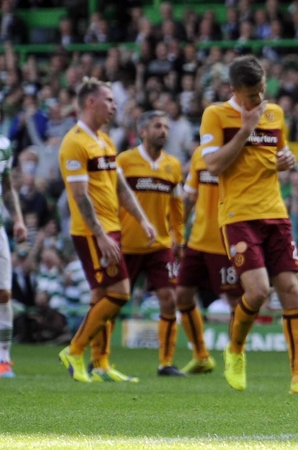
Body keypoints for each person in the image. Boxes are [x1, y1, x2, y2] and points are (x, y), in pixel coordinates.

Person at [200, 55, 298, 395]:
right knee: (256, 292)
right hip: (238, 216)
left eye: (262, 92)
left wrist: (287, 160)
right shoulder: (215, 115)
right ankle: (235, 351)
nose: (258, 100)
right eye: (251, 94)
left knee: (292, 291)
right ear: (234, 90)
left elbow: (278, 155)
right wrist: (245, 129)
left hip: (275, 213)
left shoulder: (275, 114)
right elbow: (212, 166)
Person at [58, 77, 156, 383]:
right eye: (109, 100)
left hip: (111, 227)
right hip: (91, 232)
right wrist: (100, 235)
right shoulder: (74, 142)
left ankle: (100, 363)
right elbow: (79, 196)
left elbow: (120, 186)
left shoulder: (105, 139)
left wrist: (141, 219)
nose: (115, 106)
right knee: (120, 293)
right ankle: (74, 350)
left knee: (101, 295)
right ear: (91, 102)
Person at [111, 110, 185, 377]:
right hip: (126, 244)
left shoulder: (173, 166)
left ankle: (166, 363)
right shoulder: (125, 161)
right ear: (142, 131)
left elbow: (177, 206)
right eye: (157, 126)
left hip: (160, 246)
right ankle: (100, 360)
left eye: (166, 126)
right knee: (111, 302)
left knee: (169, 299)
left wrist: (179, 238)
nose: (163, 130)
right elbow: (110, 199)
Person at [175, 144, 246, 375]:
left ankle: (235, 356)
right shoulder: (199, 154)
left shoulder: (240, 152)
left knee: (235, 302)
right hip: (197, 241)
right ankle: (201, 356)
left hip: (227, 241)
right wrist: (176, 232)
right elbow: (189, 198)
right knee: (183, 296)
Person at [0, 134, 28, 378]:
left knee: (4, 293)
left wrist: (18, 219)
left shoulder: (4, 146)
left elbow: (7, 187)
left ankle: (3, 359)